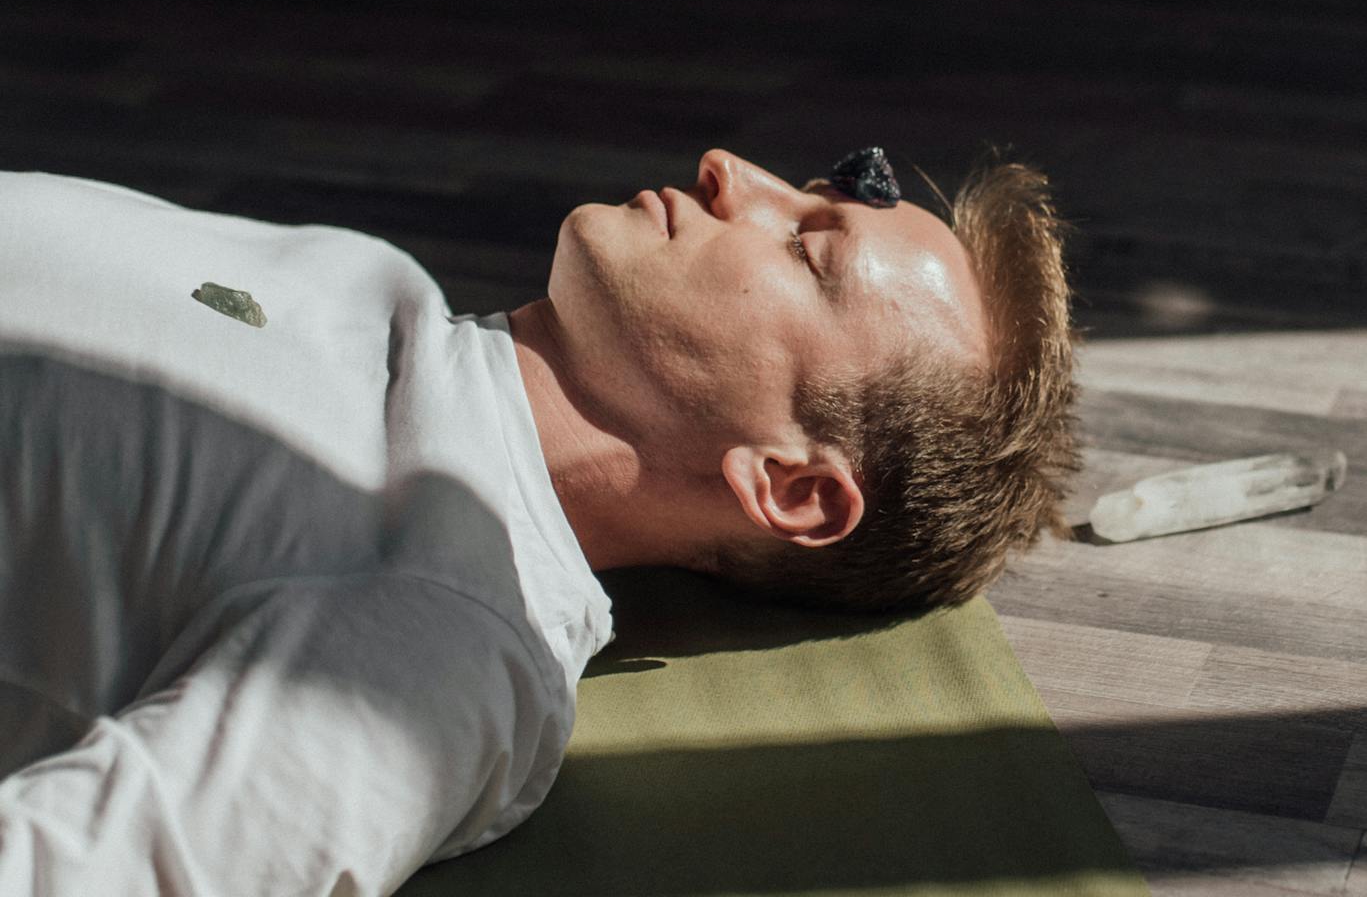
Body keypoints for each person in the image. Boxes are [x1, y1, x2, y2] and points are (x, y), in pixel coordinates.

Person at [0, 145, 1080, 894]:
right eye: (800, 187)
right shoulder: (377, 290)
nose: (726, 170)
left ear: (790, 485)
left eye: (805, 245)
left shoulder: (448, 623)